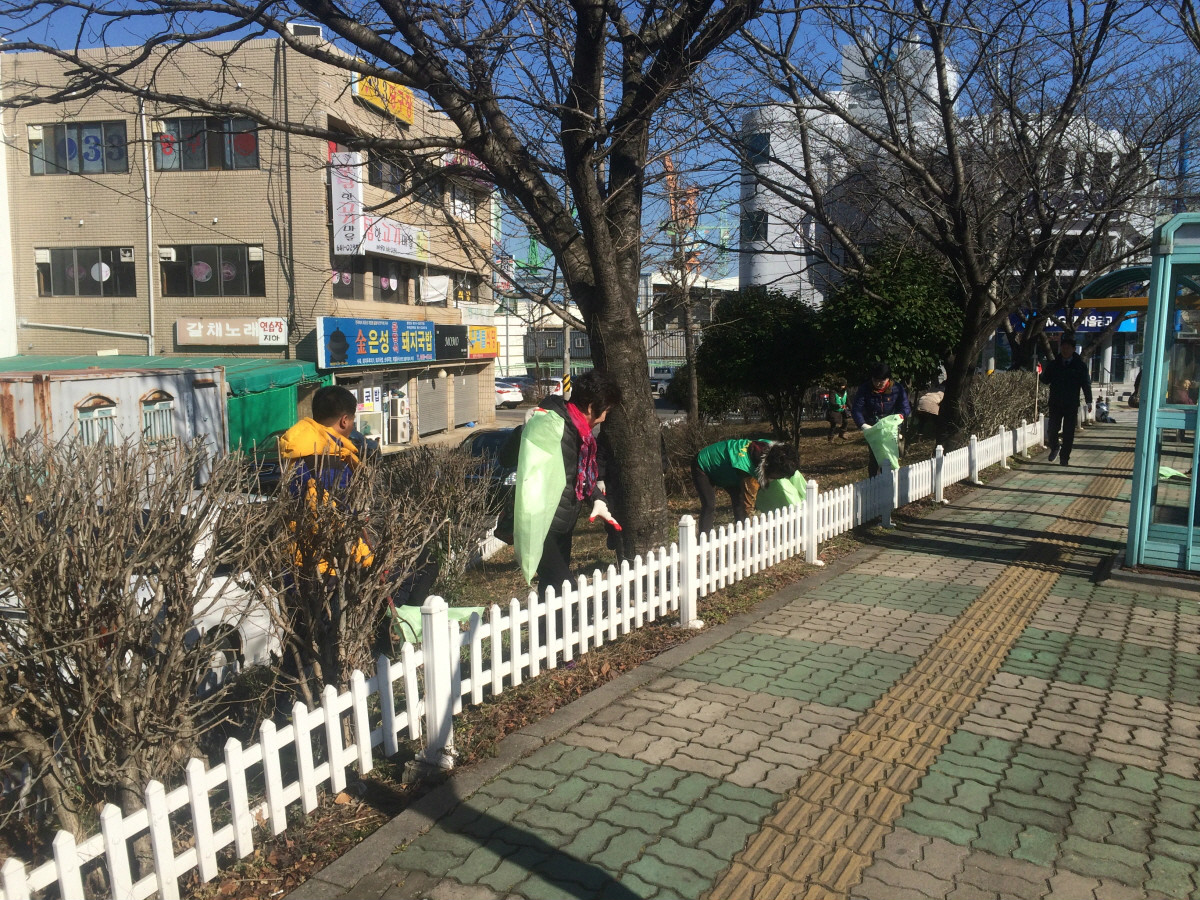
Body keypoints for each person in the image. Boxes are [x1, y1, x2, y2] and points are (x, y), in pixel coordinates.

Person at [512, 370, 623, 598]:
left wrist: (598, 500)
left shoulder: (580, 433)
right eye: (606, 410)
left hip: (564, 522)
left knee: (551, 591)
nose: (604, 418)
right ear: (591, 407)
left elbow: (578, 474)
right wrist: (522, 431)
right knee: (566, 590)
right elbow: (507, 458)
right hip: (543, 525)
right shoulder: (549, 424)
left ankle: (548, 623)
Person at [691, 438, 802, 536]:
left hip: (727, 468)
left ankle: (742, 533)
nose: (779, 479)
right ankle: (704, 539)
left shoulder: (770, 449)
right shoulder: (747, 469)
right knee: (709, 504)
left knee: (739, 499)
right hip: (703, 464)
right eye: (779, 476)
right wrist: (752, 530)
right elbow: (748, 507)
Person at [851, 362, 911, 477]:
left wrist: (900, 417)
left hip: (892, 427)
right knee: (875, 456)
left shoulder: (897, 388)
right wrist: (863, 424)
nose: (878, 384)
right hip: (873, 427)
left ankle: (890, 479)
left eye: (881, 381)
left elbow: (905, 407)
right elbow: (856, 409)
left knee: (891, 454)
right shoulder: (865, 389)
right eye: (875, 380)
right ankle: (873, 481)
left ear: (888, 379)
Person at [1039, 336, 1092, 466]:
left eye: (1068, 348)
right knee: (1052, 430)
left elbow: (1086, 384)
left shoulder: (1079, 366)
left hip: (1071, 403)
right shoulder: (1054, 364)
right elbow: (1046, 380)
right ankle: (1055, 447)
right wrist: (1038, 373)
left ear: (1073, 349)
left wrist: (1089, 401)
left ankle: (1064, 457)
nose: (1065, 350)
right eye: (1063, 347)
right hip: (1055, 402)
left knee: (1068, 432)